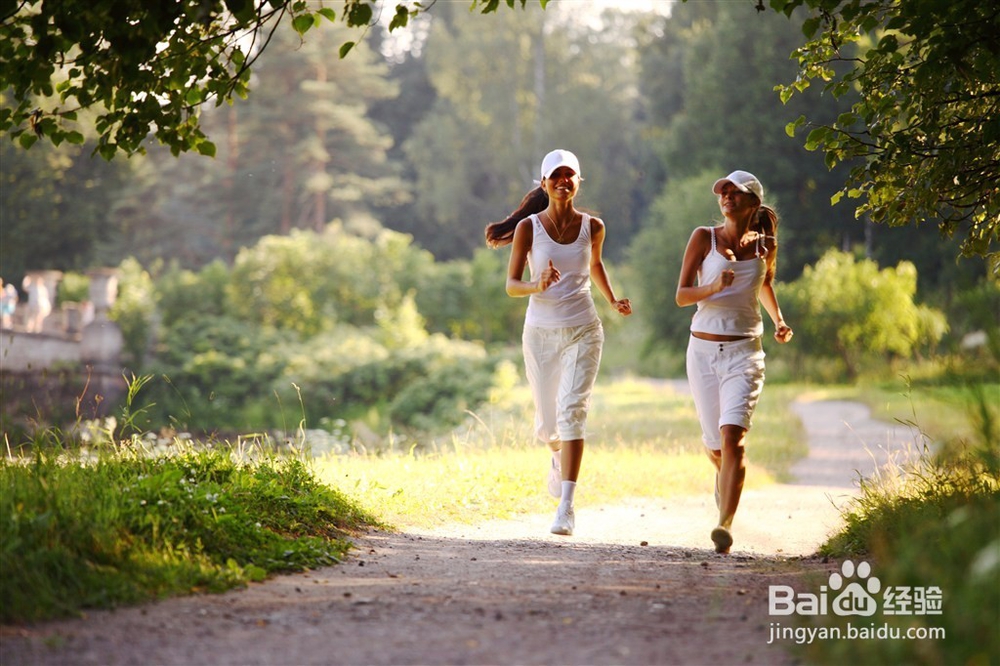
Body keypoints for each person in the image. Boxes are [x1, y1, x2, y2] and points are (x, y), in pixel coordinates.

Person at [486, 149, 632, 537]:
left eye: (570, 175)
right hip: (540, 333)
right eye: (556, 176)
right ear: (544, 183)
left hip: (584, 328)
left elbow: (596, 265)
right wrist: (538, 284)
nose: (563, 181)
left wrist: (613, 299)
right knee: (548, 427)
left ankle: (567, 506)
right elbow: (512, 285)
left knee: (573, 411)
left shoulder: (593, 227)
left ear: (578, 181)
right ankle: (556, 457)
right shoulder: (528, 229)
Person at [675, 170, 793, 554]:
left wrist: (779, 320)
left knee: (733, 440)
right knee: (715, 447)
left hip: (745, 351)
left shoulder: (764, 245)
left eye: (735, 192)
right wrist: (713, 287)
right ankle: (724, 479)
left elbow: (763, 283)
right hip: (703, 353)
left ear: (753, 203)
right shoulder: (702, 238)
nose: (726, 197)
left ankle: (724, 524)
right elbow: (681, 295)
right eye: (723, 192)